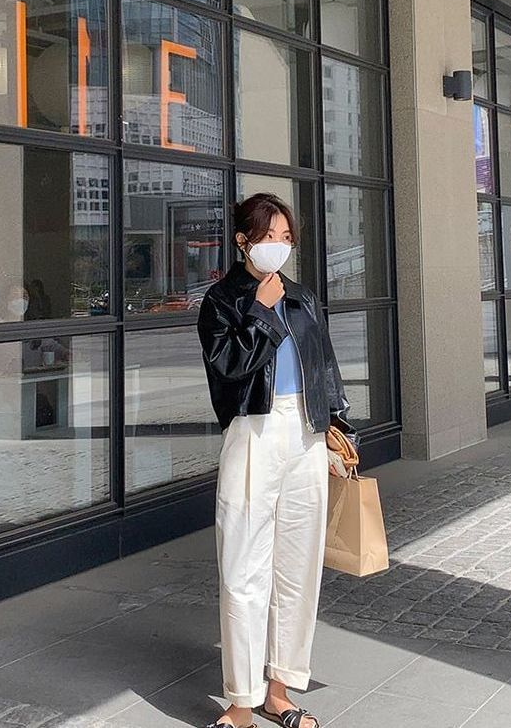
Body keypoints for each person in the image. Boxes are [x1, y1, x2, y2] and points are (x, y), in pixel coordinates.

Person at [197, 193, 356, 728]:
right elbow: (229, 368)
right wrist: (262, 312)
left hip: (306, 433)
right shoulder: (222, 301)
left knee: (298, 568)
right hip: (253, 431)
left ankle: (280, 691)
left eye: (286, 238)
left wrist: (338, 430)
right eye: (268, 237)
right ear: (243, 241)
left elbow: (325, 367)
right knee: (243, 568)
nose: (279, 246)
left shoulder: (302, 296)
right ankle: (240, 703)